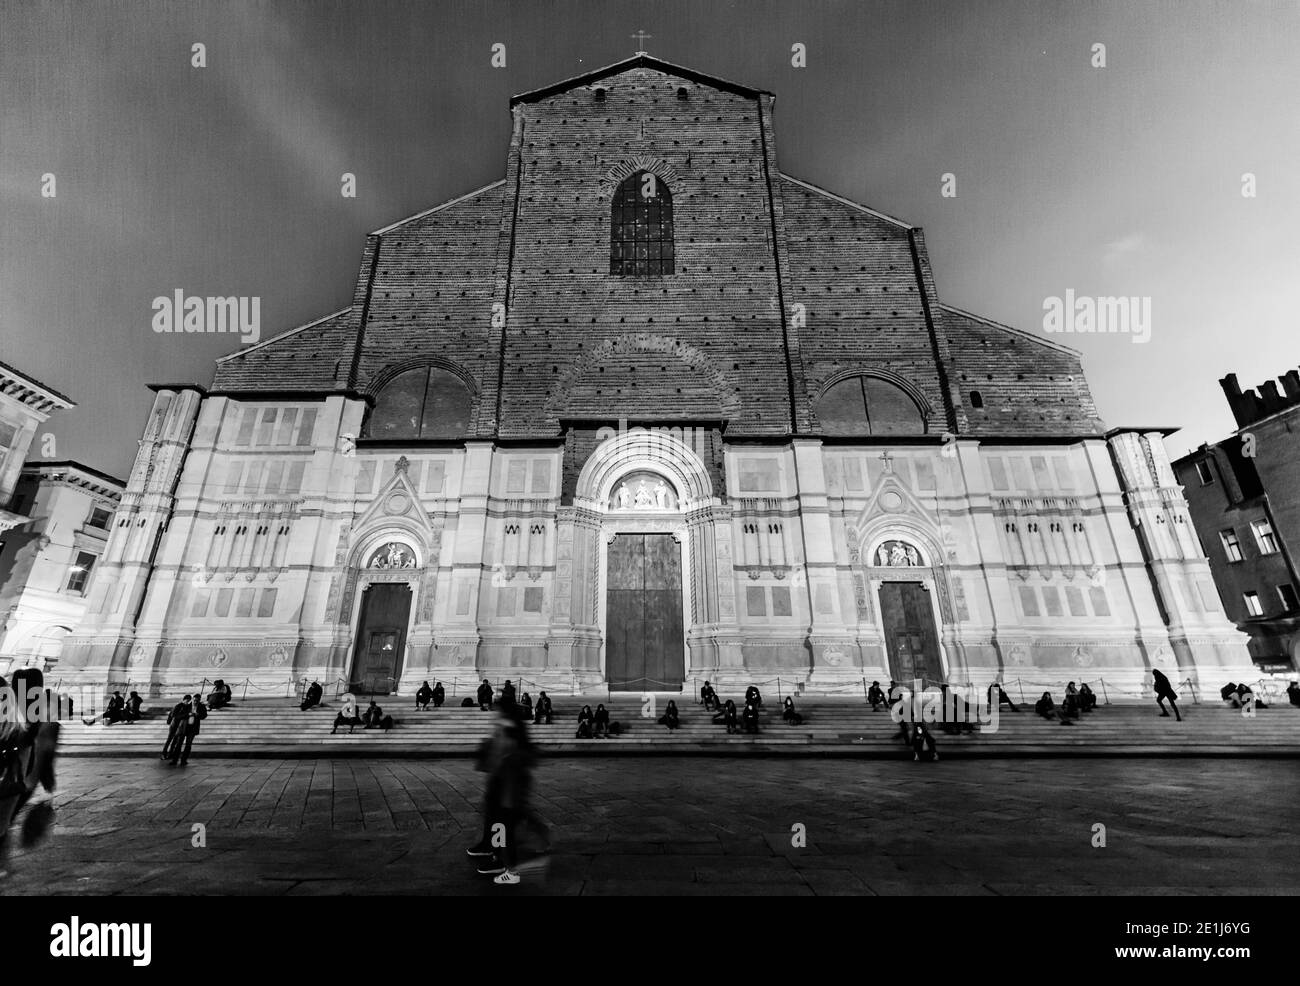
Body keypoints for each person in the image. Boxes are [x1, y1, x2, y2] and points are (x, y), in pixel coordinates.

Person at [470, 702, 549, 886]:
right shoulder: (507, 728)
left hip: (509, 784)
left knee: (506, 825)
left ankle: (508, 867)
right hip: (504, 783)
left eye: (498, 711)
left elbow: (509, 756)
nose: (494, 715)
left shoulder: (510, 730)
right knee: (503, 823)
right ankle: (500, 858)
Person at [0, 669, 60, 875]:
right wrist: (47, 780)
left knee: (4, 820)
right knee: (5, 819)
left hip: (8, 772)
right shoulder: (44, 710)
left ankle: (3, 861)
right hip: (25, 777)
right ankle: (2, 862)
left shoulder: (8, 707)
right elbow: (46, 747)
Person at [170, 693, 207, 766]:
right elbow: (177, 715)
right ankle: (175, 760)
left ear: (199, 700)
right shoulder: (185, 706)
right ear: (192, 699)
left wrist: (198, 715)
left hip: (193, 728)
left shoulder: (201, 706)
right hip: (183, 727)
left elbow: (204, 715)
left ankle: (184, 760)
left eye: (197, 701)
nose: (196, 702)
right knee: (178, 744)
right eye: (195, 700)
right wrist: (187, 715)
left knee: (188, 745)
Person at [161, 696, 191, 760]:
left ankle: (170, 754)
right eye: (187, 700)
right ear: (184, 700)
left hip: (180, 726)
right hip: (174, 725)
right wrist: (185, 715)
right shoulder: (178, 706)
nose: (187, 702)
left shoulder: (187, 706)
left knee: (175, 741)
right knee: (169, 740)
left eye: (189, 701)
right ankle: (163, 754)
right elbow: (173, 715)